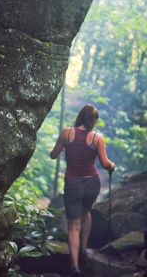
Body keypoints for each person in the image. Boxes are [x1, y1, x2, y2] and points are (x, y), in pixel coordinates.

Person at [49, 104, 116, 277]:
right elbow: (104, 163)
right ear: (93, 120)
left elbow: (53, 155)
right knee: (86, 212)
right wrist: (112, 166)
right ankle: (84, 249)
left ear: (79, 116)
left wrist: (64, 146)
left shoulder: (67, 133)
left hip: (72, 184)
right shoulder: (97, 138)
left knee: (73, 226)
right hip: (92, 184)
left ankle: (75, 266)